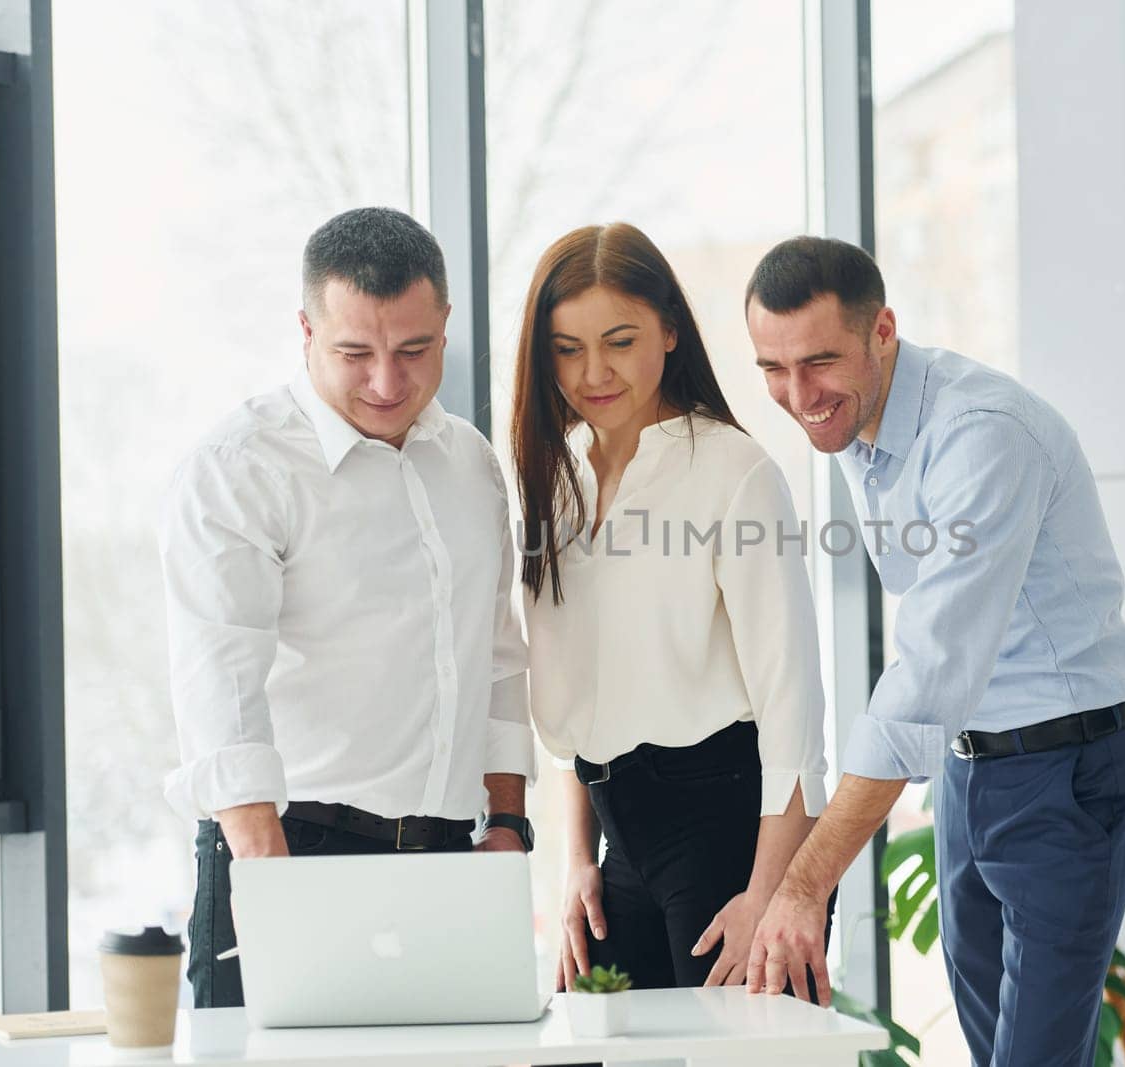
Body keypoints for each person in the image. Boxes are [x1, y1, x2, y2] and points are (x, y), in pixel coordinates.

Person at [741, 236, 1125, 1067]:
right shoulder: (860, 423)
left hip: (1068, 771)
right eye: (773, 369)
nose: (798, 394)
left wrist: (802, 882)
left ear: (883, 329)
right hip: (974, 772)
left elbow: (929, 671)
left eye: (819, 361)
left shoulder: (980, 436)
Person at [161, 207, 537, 1009]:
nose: (387, 383)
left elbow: (497, 653)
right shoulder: (239, 468)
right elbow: (219, 691)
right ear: (305, 330)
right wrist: (273, 893)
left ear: (445, 323)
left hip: (450, 863)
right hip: (292, 849)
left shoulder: (468, 461)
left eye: (414, 350)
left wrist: (509, 822)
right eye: (354, 353)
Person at [512, 222, 829, 997]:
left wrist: (773, 895)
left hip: (727, 834)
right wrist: (576, 860)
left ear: (670, 332)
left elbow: (793, 710)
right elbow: (577, 700)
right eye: (566, 347)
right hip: (618, 839)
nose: (594, 371)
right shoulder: (556, 482)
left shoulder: (733, 471)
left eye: (620, 340)